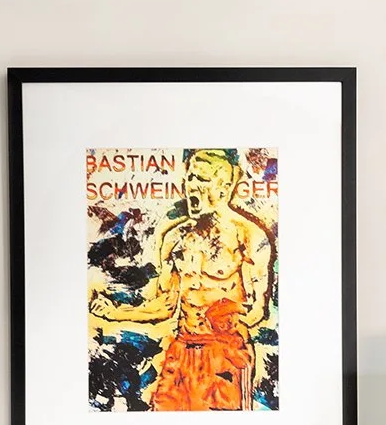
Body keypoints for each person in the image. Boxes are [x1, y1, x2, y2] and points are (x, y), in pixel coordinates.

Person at [89, 148, 274, 411]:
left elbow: (258, 311)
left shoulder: (249, 235)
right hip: (182, 351)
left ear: (224, 187)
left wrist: (228, 313)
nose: (192, 187)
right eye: (190, 178)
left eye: (202, 180)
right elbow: (165, 306)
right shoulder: (175, 238)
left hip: (226, 355)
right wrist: (115, 312)